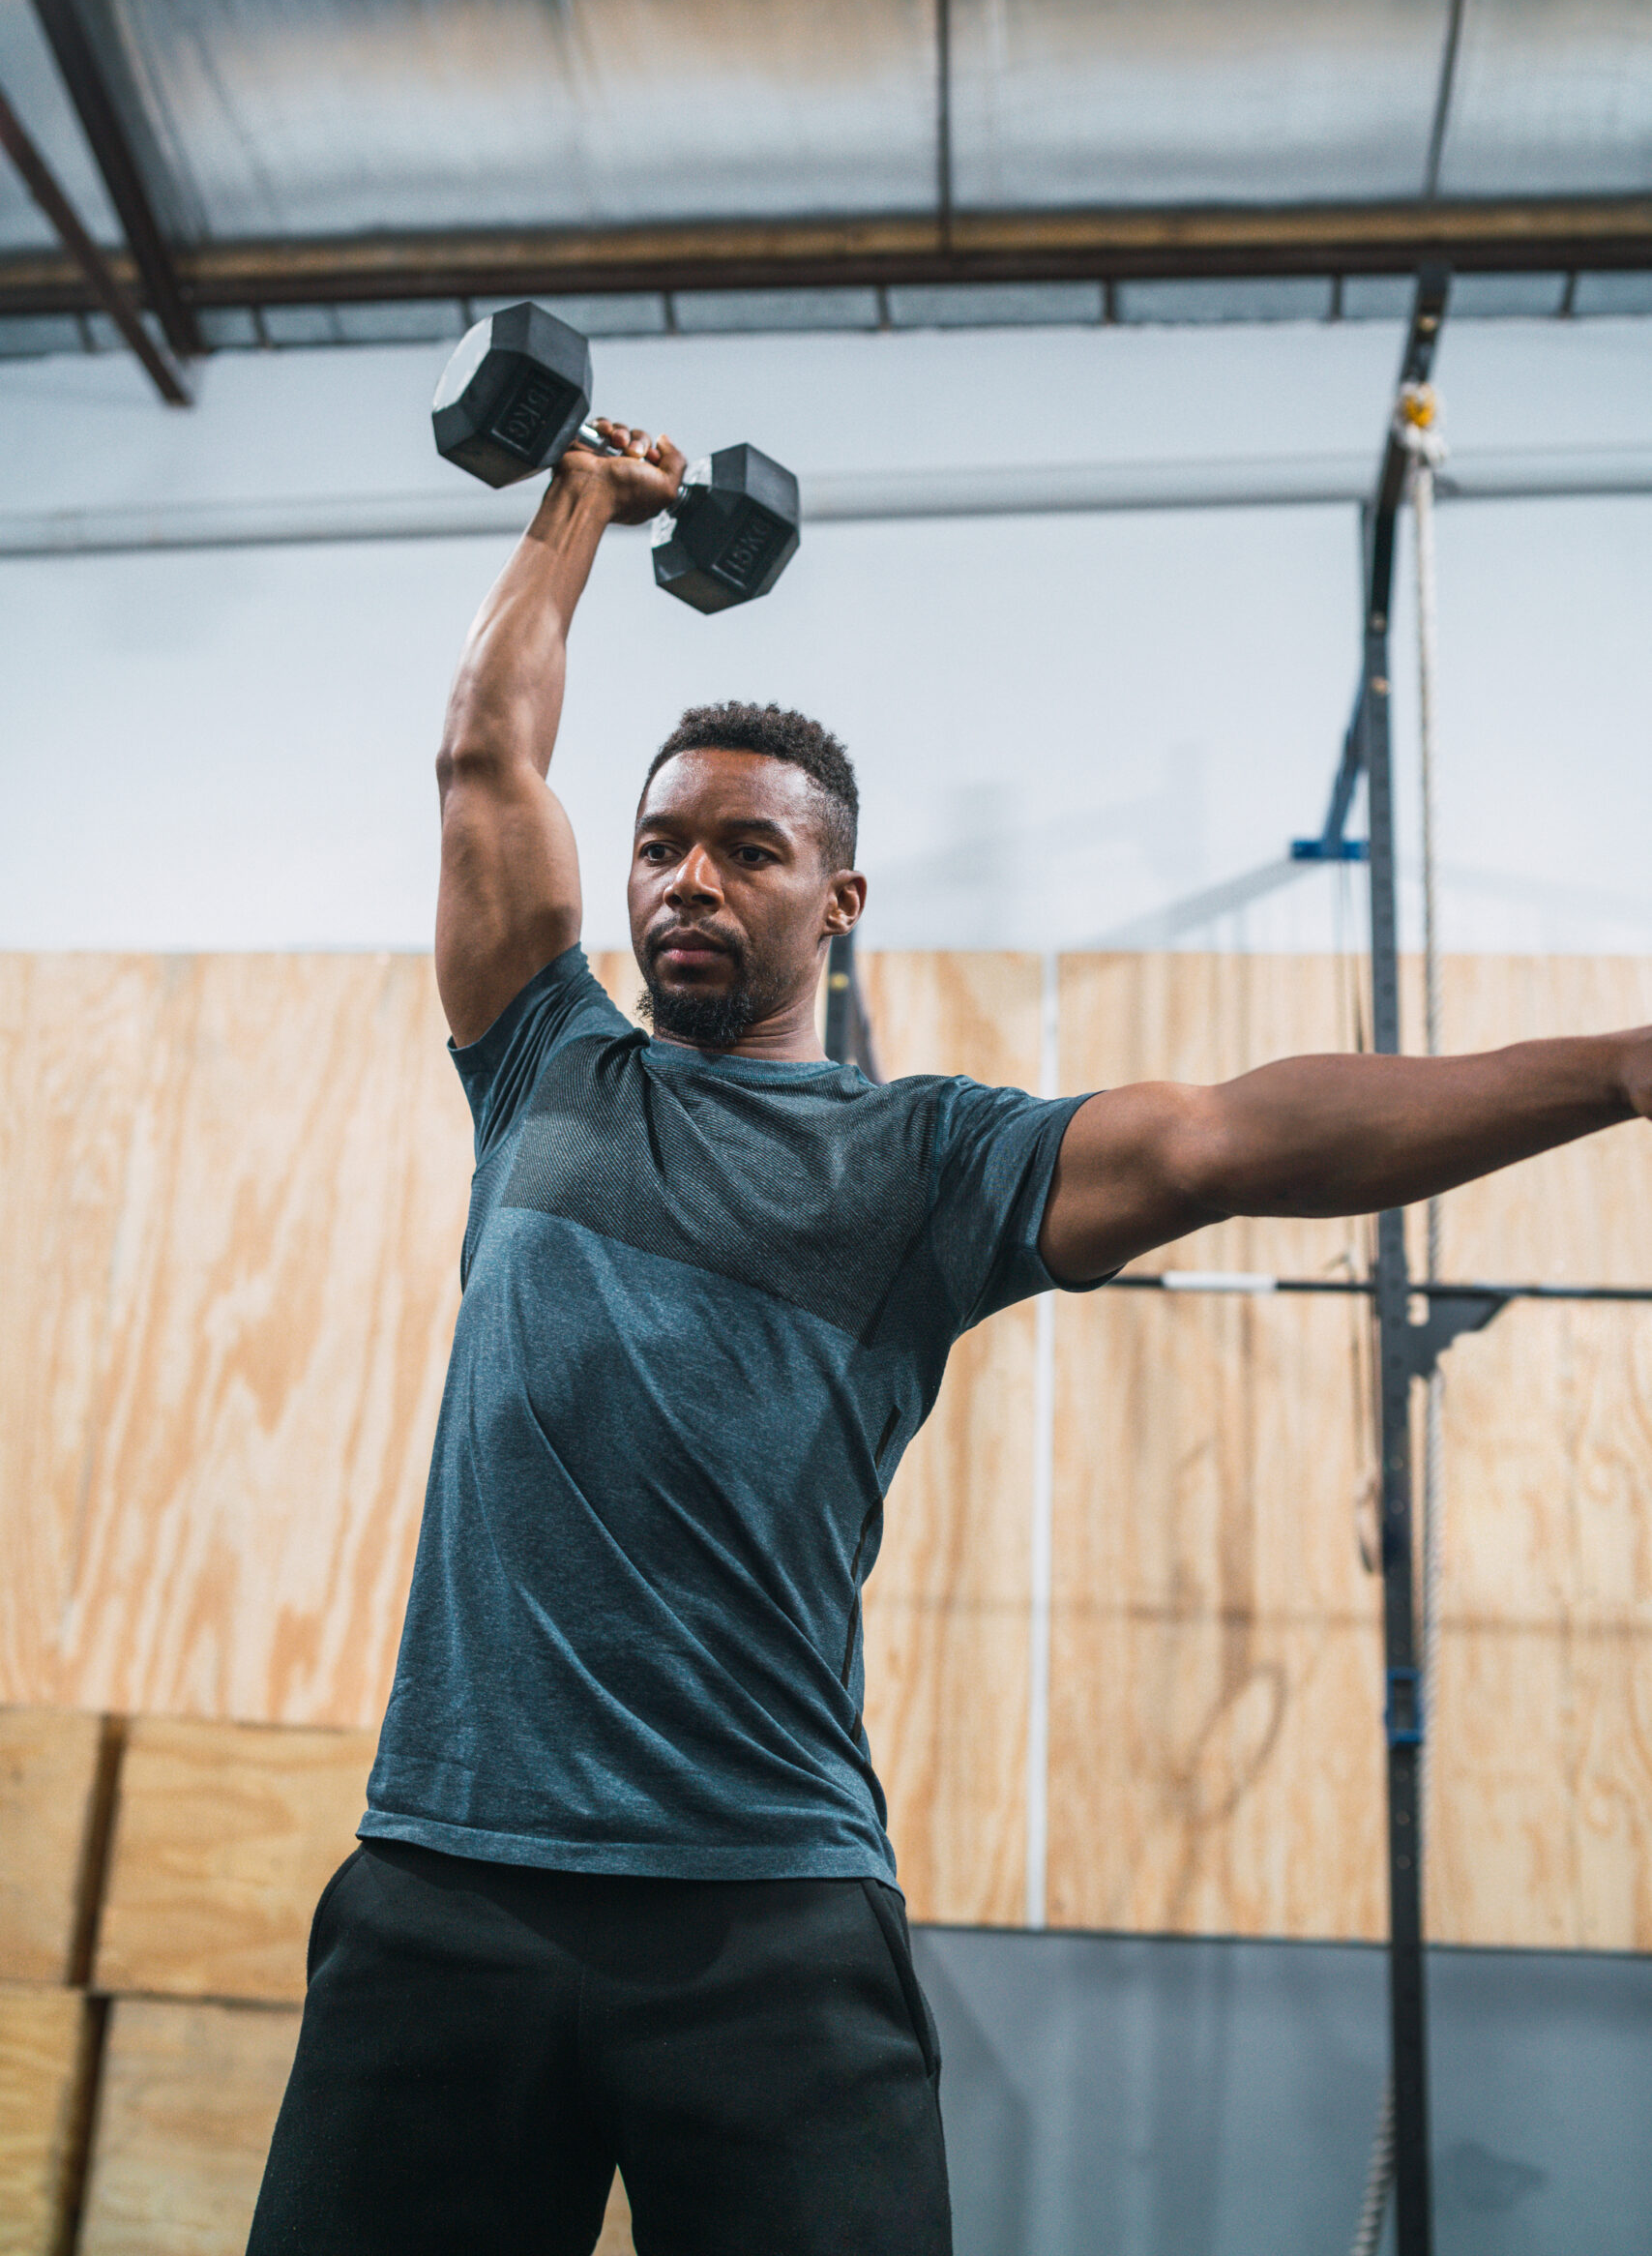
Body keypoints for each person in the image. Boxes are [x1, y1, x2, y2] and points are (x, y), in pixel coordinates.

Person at [249, 422, 1650, 2256]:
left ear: (837, 901)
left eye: (748, 851)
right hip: (444, 1887)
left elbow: (1229, 1135)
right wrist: (583, 495)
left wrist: (1624, 1071)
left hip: (765, 1912)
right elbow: (482, 758)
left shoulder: (923, 1164)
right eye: (662, 846)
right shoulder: (543, 1071)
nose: (686, 881)